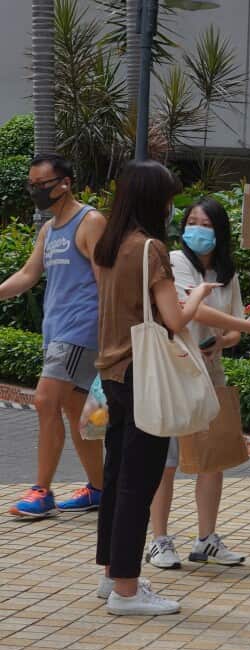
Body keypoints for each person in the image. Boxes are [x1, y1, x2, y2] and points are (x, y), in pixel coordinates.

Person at [93, 160, 220, 615]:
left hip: (112, 371)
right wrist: (200, 296)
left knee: (116, 476)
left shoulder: (109, 245)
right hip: (142, 374)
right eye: (169, 198)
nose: (172, 207)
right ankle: (127, 587)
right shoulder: (150, 249)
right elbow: (175, 318)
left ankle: (112, 574)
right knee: (138, 481)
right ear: (153, 200)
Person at [145, 197, 250, 569]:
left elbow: (229, 326)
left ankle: (206, 539)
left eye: (206, 223)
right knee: (166, 460)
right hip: (175, 371)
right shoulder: (174, 261)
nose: (197, 229)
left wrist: (221, 340)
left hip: (211, 372)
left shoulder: (226, 273)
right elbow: (193, 310)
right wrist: (249, 326)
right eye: (192, 221)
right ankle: (159, 540)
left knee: (212, 458)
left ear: (219, 231)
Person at [3, 154, 106, 519]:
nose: (36, 191)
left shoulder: (90, 221)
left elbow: (104, 280)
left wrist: (110, 336)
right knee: (77, 410)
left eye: (42, 185)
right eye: (31, 185)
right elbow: (29, 274)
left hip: (79, 330)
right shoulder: (49, 230)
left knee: (46, 400)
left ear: (65, 183)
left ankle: (41, 492)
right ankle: (99, 488)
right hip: (57, 330)